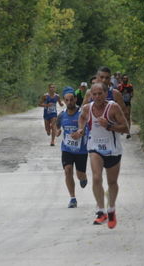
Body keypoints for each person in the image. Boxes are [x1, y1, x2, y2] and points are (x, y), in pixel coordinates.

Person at [76, 82, 129, 229]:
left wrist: (109, 126)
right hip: (95, 148)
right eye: (94, 94)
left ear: (106, 94)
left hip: (113, 149)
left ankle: (111, 210)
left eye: (100, 93)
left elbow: (126, 128)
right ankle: (101, 211)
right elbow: (81, 118)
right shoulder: (87, 108)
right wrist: (81, 130)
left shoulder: (113, 107)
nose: (97, 96)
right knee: (97, 177)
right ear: (90, 95)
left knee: (112, 182)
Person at [56, 86, 89, 208]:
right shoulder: (61, 115)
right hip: (67, 149)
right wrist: (58, 131)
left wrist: (80, 133)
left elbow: (87, 130)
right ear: (64, 101)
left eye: (71, 99)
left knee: (80, 174)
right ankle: (73, 198)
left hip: (81, 150)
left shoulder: (81, 114)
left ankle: (83, 177)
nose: (69, 102)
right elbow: (57, 126)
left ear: (75, 99)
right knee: (68, 170)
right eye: (67, 100)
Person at [118, 74, 133, 139]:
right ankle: (122, 129)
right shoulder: (120, 86)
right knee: (122, 116)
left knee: (128, 117)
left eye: (126, 78)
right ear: (122, 79)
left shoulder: (130, 86)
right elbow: (117, 94)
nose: (125, 79)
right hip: (121, 103)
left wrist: (129, 96)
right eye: (124, 78)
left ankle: (128, 132)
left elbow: (132, 93)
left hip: (127, 103)